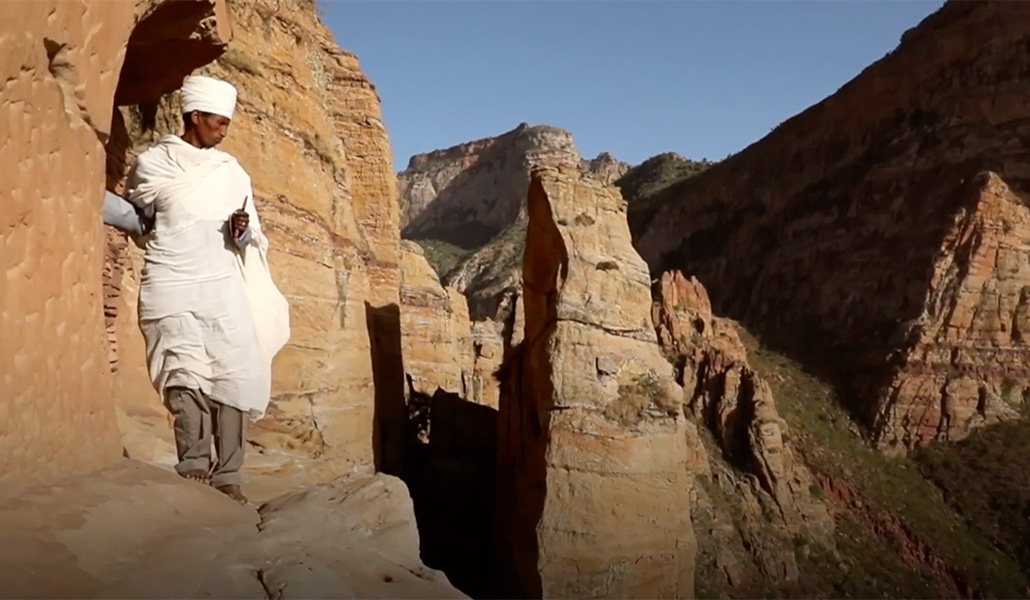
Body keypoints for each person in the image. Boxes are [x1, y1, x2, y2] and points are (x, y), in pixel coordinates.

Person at [125, 74, 290, 505]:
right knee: (182, 370)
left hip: (221, 285)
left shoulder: (231, 172)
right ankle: (194, 462)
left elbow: (251, 234)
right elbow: (138, 219)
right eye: (219, 122)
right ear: (195, 116)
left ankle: (229, 473)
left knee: (235, 371)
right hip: (171, 279)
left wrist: (241, 230)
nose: (224, 131)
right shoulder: (154, 163)